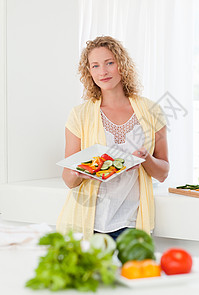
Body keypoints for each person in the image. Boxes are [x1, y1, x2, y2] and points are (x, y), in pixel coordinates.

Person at [56, 36, 169, 240]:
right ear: (89, 72)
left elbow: (163, 173)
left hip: (133, 222)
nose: (103, 72)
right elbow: (68, 180)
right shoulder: (79, 115)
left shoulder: (152, 111)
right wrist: (80, 172)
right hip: (89, 222)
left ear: (122, 65)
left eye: (110, 63)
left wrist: (146, 159)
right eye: (95, 66)